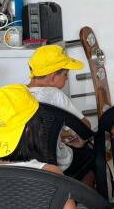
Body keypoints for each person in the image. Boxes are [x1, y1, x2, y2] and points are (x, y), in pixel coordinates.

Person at [26, 44, 95, 185]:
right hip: (54, 163)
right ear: (52, 77)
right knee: (91, 156)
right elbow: (85, 126)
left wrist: (60, 134)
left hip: (23, 164)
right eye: (65, 74)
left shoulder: (18, 93)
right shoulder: (55, 95)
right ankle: (77, 201)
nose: (67, 79)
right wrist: (77, 138)